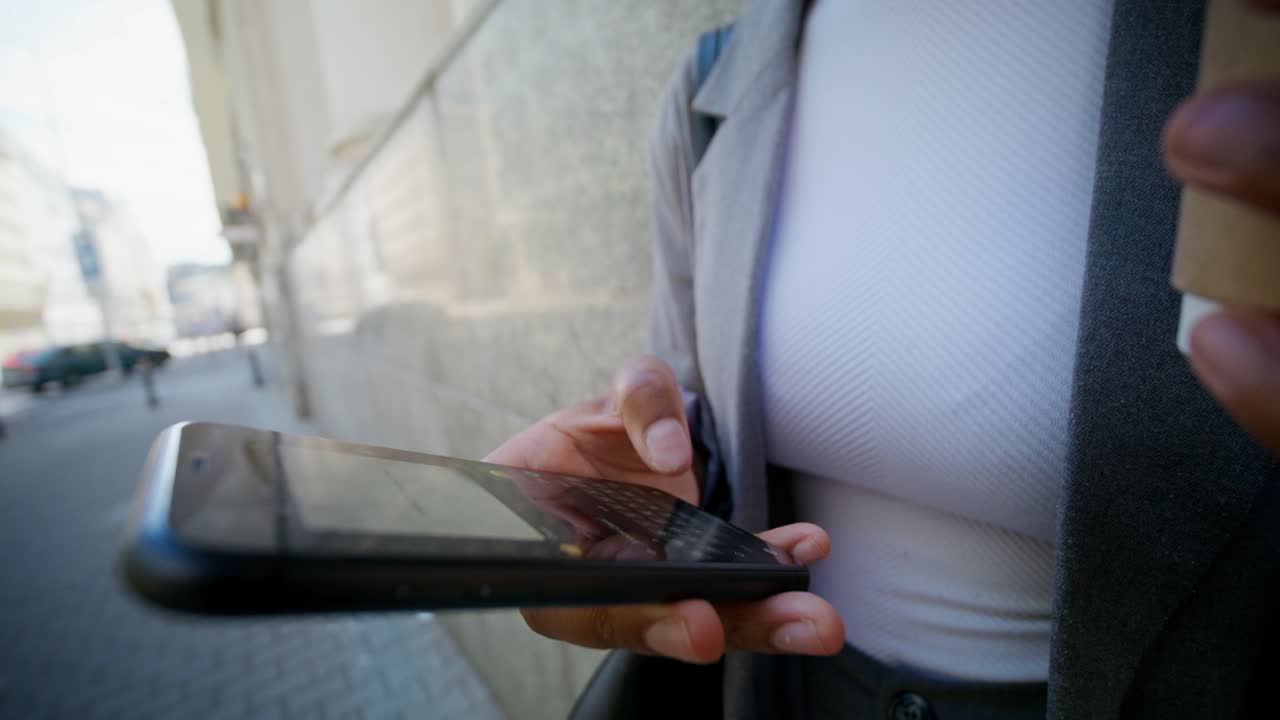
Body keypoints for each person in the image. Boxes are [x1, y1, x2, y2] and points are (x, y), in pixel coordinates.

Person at [487, 0, 1280, 717]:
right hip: (786, 692)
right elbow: (691, 403)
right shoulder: (712, 83)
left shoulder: (1243, 45)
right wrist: (653, 482)